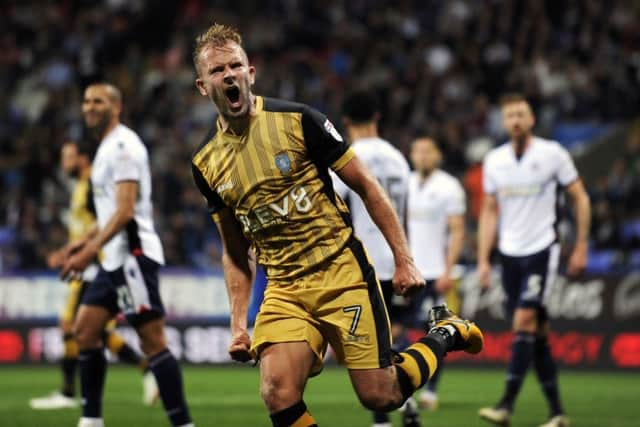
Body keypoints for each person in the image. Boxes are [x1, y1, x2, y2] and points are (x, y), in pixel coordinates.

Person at [190, 23, 483, 427]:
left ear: (250, 72)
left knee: (381, 395)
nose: (229, 76)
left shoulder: (299, 121)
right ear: (203, 86)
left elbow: (367, 186)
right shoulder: (205, 163)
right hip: (285, 287)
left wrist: (404, 259)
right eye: (217, 71)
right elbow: (235, 251)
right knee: (277, 391)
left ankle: (446, 332)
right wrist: (238, 324)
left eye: (235, 66)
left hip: (341, 273)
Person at [60, 83, 193, 427]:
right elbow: (108, 215)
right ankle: (91, 420)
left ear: (116, 107)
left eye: (98, 101)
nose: (90, 107)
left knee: (153, 340)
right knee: (85, 330)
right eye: (86, 101)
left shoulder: (123, 146)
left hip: (133, 256)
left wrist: (88, 251)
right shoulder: (105, 147)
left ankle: (183, 424)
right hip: (112, 258)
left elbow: (125, 212)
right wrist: (85, 241)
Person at [477, 93, 591, 427]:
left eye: (520, 114)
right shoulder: (494, 160)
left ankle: (505, 406)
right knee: (536, 332)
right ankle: (557, 413)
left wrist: (581, 245)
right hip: (509, 254)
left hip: (542, 249)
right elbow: (487, 211)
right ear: (503, 121)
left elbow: (580, 197)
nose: (514, 120)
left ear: (532, 119)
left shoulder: (553, 154)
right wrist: (484, 259)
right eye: (509, 114)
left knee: (524, 321)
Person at [30, 140, 158, 410]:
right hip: (83, 264)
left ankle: (70, 393)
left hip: (94, 265)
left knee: (79, 328)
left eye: (68, 156)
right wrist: (67, 251)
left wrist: (81, 251)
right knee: (88, 330)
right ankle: (146, 368)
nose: (64, 162)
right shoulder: (79, 186)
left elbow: (106, 218)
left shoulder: (92, 184)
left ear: (82, 159)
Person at [331, 91, 418, 427]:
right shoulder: (398, 159)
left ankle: (381, 420)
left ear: (347, 122)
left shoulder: (346, 156)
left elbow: (336, 210)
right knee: (397, 331)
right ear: (377, 118)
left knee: (370, 342)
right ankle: (409, 402)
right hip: (398, 259)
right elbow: (404, 211)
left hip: (363, 263)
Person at [407, 137, 466, 410]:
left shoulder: (449, 186)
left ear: (438, 155)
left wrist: (448, 270)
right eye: (418, 151)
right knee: (397, 330)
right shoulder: (405, 183)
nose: (422, 156)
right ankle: (403, 386)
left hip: (437, 274)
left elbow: (457, 231)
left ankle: (430, 391)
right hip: (409, 272)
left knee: (435, 332)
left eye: (427, 151)